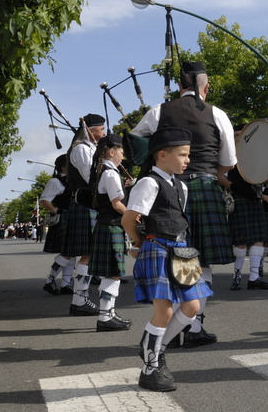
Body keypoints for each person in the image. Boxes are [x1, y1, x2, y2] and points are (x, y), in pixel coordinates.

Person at [132, 61, 236, 348]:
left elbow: (136, 140)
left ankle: (175, 324)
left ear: (180, 87)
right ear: (206, 87)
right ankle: (193, 325)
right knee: (201, 260)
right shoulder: (218, 114)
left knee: (175, 255)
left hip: (168, 186)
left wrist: (155, 164)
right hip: (204, 186)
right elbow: (228, 162)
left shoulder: (158, 111)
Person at [123, 126, 213, 392]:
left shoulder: (181, 186)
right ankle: (150, 368)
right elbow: (128, 219)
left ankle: (154, 347)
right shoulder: (148, 183)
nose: (188, 160)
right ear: (162, 155)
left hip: (182, 250)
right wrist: (139, 243)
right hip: (158, 247)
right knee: (163, 310)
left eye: (188, 155)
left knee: (193, 307)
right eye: (183, 155)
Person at [88, 133, 132, 331]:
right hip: (111, 225)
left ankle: (109, 313)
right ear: (112, 151)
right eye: (121, 152)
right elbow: (116, 204)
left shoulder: (103, 171)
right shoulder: (110, 173)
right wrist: (134, 216)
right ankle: (105, 317)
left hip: (105, 225)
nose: (123, 156)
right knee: (112, 274)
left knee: (111, 274)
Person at [65, 113, 107, 316]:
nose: (105, 133)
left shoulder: (91, 149)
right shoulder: (81, 149)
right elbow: (92, 178)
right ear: (91, 131)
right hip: (84, 203)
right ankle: (79, 300)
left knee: (88, 254)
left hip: (89, 204)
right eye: (102, 129)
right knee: (87, 254)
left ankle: (79, 299)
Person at [227, 127, 268, 291]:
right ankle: (237, 277)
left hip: (254, 198)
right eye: (236, 135)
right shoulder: (227, 153)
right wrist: (232, 186)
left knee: (259, 239)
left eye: (242, 135)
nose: (239, 138)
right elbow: (218, 175)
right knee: (240, 242)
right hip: (239, 199)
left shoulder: (254, 153)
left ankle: (254, 278)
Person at [40, 154, 77, 295]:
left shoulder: (71, 180)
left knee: (71, 252)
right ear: (63, 167)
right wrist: (54, 211)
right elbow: (44, 199)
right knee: (67, 252)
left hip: (72, 217)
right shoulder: (55, 182)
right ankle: (50, 280)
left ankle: (66, 284)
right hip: (63, 218)